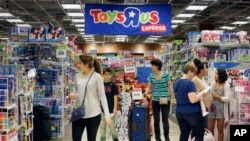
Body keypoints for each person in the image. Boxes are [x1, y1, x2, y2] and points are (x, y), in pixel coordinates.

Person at [69, 55, 111, 141]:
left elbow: (102, 97)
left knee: (91, 139)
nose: (78, 65)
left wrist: (107, 115)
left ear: (87, 64)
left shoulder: (97, 77)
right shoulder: (77, 76)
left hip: (93, 115)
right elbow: (76, 91)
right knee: (75, 138)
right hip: (78, 113)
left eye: (80, 63)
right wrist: (72, 95)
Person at [174, 61, 205, 141]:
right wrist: (201, 94)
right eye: (193, 73)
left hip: (179, 111)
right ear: (189, 71)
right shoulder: (190, 83)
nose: (193, 76)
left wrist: (195, 94)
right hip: (192, 113)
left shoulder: (177, 82)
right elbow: (193, 100)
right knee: (199, 134)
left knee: (184, 134)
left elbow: (182, 95)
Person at [146, 58, 175, 141]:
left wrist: (172, 98)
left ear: (157, 66)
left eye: (152, 65)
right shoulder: (151, 76)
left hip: (165, 99)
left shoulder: (166, 75)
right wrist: (145, 93)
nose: (151, 67)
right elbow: (148, 87)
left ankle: (166, 137)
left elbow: (170, 87)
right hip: (155, 100)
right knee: (156, 120)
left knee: (165, 119)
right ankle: (158, 138)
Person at [208, 68, 230, 141]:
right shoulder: (213, 83)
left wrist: (218, 96)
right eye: (215, 73)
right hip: (212, 108)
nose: (215, 75)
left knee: (220, 129)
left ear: (221, 75)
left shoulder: (226, 85)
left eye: (217, 73)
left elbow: (227, 99)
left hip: (221, 110)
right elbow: (211, 96)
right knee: (210, 129)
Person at [100, 67, 119, 141]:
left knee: (112, 127)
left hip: (111, 109)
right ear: (103, 75)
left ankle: (115, 138)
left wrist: (115, 108)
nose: (107, 76)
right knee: (102, 127)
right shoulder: (100, 84)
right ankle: (102, 139)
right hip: (102, 110)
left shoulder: (113, 85)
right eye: (105, 74)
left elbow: (115, 97)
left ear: (111, 75)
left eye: (109, 74)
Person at [192, 58, 210, 129]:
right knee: (199, 129)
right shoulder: (195, 80)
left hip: (205, 108)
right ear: (201, 70)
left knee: (203, 128)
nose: (207, 70)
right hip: (199, 109)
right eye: (206, 68)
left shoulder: (202, 79)